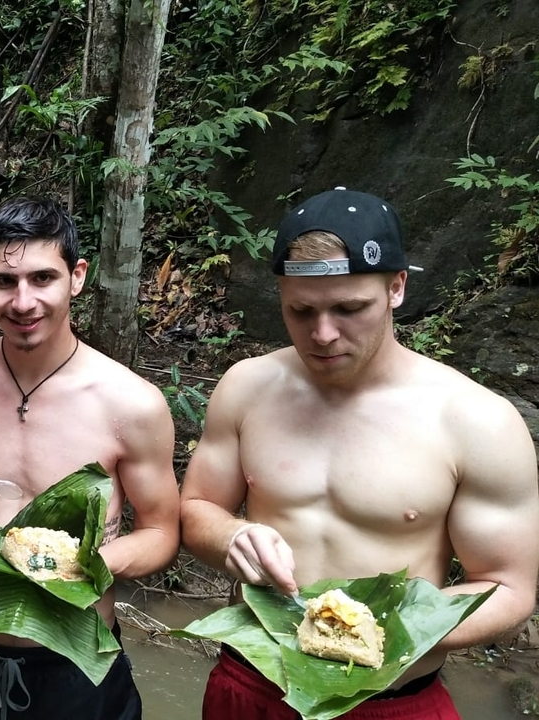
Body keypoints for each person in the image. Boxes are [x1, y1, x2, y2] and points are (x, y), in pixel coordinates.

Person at [179, 187, 539, 719]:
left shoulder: (474, 420)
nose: (323, 334)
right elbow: (194, 512)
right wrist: (231, 535)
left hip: (390, 701)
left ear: (396, 287)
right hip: (252, 686)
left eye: (350, 309)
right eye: (301, 311)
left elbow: (509, 587)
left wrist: (393, 631)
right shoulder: (247, 388)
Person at [0, 197, 180, 720]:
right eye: (4, 282)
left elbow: (163, 532)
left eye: (42, 278)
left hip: (76, 659)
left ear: (76, 277)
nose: (23, 301)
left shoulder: (131, 403)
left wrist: (94, 564)